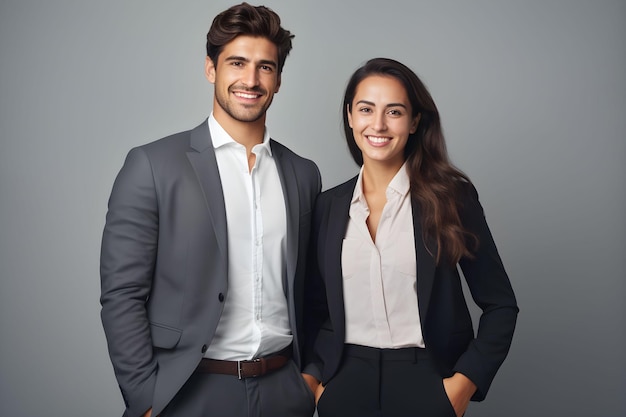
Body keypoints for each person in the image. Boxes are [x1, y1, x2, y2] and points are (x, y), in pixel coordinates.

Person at [100, 3, 320, 417]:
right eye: (237, 63)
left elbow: (313, 290)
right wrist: (147, 399)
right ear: (210, 69)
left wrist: (308, 379)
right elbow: (121, 295)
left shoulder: (303, 175)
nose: (250, 80)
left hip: (284, 393)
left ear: (278, 80)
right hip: (187, 393)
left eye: (265, 67)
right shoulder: (152, 166)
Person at [302, 58, 518, 417]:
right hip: (344, 383)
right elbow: (314, 309)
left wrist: (463, 384)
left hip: (426, 383)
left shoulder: (451, 199)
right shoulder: (328, 206)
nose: (379, 124)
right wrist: (315, 380)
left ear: (415, 121)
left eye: (395, 111)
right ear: (350, 116)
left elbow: (501, 305)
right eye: (366, 109)